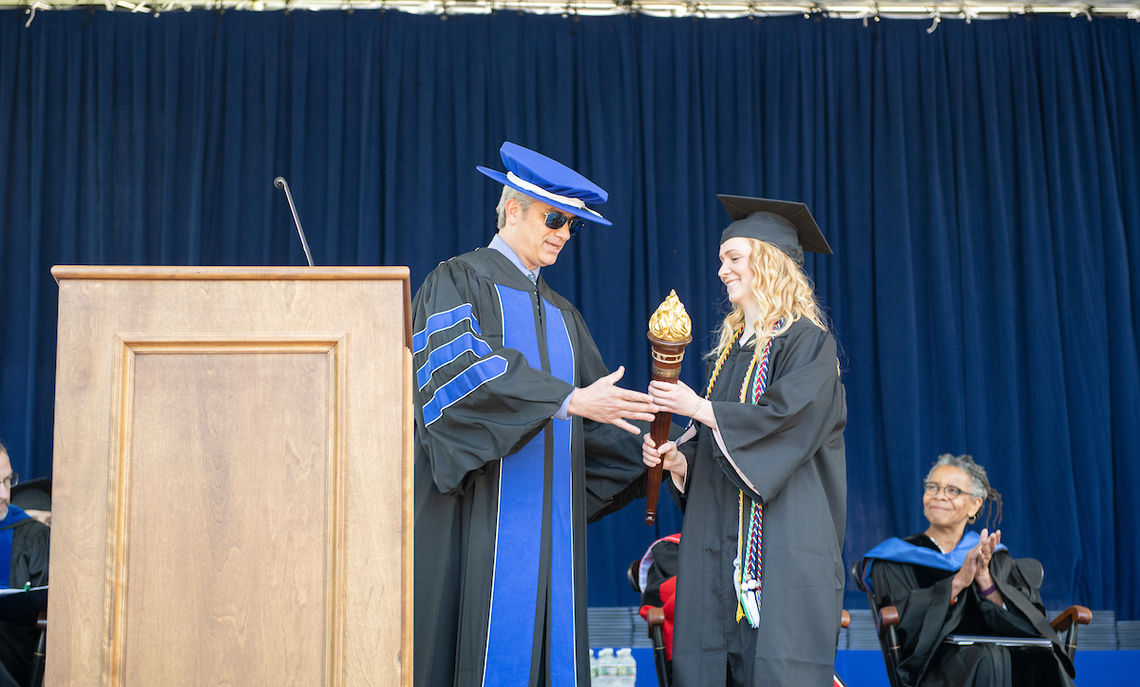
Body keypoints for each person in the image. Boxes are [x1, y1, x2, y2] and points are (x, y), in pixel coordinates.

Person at [413, 141, 659, 687]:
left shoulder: (563, 316)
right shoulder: (455, 282)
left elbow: (596, 424)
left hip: (550, 540)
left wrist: (647, 452)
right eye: (553, 218)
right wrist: (567, 400)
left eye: (571, 225)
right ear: (511, 210)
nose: (563, 234)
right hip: (477, 522)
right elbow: (460, 380)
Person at [642, 195, 847, 686]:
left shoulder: (807, 343)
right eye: (721, 260)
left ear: (770, 262)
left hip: (784, 554)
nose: (722, 271)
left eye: (733, 258)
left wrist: (699, 409)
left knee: (777, 668)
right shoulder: (731, 353)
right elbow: (716, 445)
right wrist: (679, 463)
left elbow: (785, 421)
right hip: (716, 553)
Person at [860, 454, 1077, 687]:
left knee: (1043, 659)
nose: (939, 495)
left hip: (997, 654)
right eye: (932, 487)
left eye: (952, 490)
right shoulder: (895, 558)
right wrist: (958, 581)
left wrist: (985, 579)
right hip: (934, 667)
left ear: (975, 505)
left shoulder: (994, 557)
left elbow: (1027, 625)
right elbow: (903, 625)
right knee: (989, 657)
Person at [0, 441, 49, 687]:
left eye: (8, 481)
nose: (5, 494)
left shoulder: (32, 535)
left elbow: (42, 605)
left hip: (12, 653)